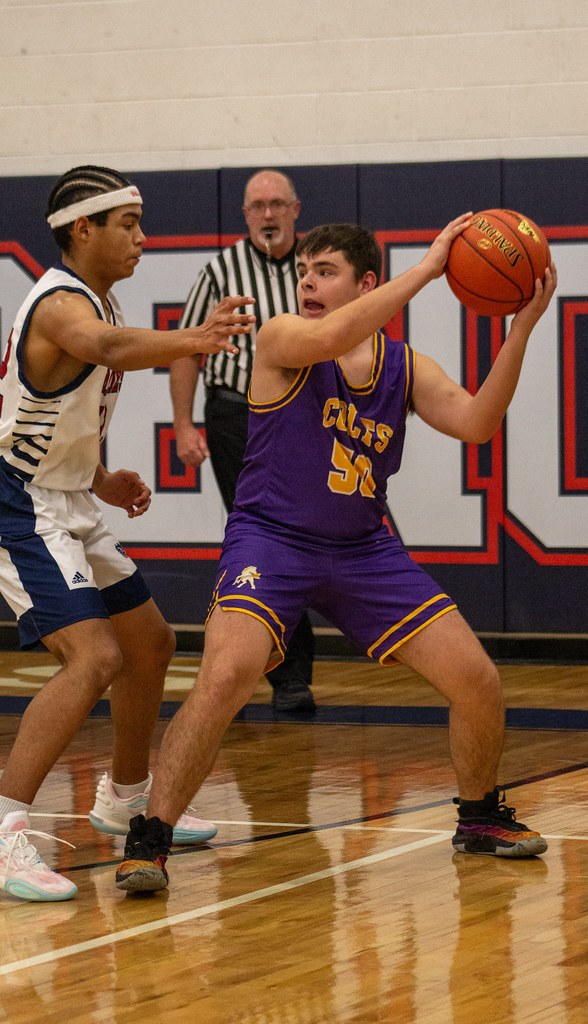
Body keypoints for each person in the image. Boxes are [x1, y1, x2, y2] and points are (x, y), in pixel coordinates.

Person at [114, 217, 558, 893]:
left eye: (324, 272)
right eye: (303, 272)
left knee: (478, 680)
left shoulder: (405, 367)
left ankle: (478, 817)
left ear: (365, 283)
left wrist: (519, 329)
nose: (307, 282)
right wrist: (432, 268)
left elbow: (476, 424)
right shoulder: (283, 336)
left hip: (361, 548)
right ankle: (151, 835)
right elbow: (328, 336)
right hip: (271, 538)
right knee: (228, 673)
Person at [0, 165, 256, 902]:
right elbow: (106, 349)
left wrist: (100, 476)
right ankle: (9, 824)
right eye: (128, 225)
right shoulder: (60, 303)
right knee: (93, 658)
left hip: (65, 493)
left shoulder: (95, 298)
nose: (142, 239)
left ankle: (125, 795)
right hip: (20, 502)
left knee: (149, 643)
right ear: (84, 229)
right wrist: (194, 339)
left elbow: (48, 410)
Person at [171, 169, 316, 716]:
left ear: (295, 210)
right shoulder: (221, 270)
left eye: (278, 203)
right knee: (259, 537)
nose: (269, 214)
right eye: (258, 205)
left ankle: (277, 666)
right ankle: (281, 674)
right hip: (238, 418)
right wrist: (185, 426)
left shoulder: (316, 268)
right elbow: (189, 350)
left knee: (303, 534)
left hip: (303, 416)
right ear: (245, 214)